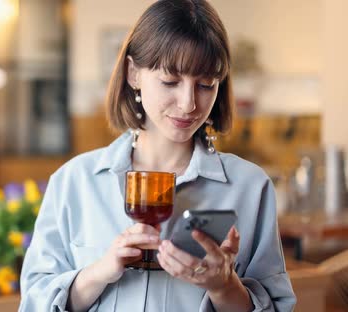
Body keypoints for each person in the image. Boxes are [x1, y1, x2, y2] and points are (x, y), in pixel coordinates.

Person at [19, 0, 296, 311]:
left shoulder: (250, 188)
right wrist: (100, 273)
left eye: (206, 85)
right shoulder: (75, 181)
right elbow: (33, 302)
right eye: (170, 81)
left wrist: (223, 285)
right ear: (133, 73)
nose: (189, 103)